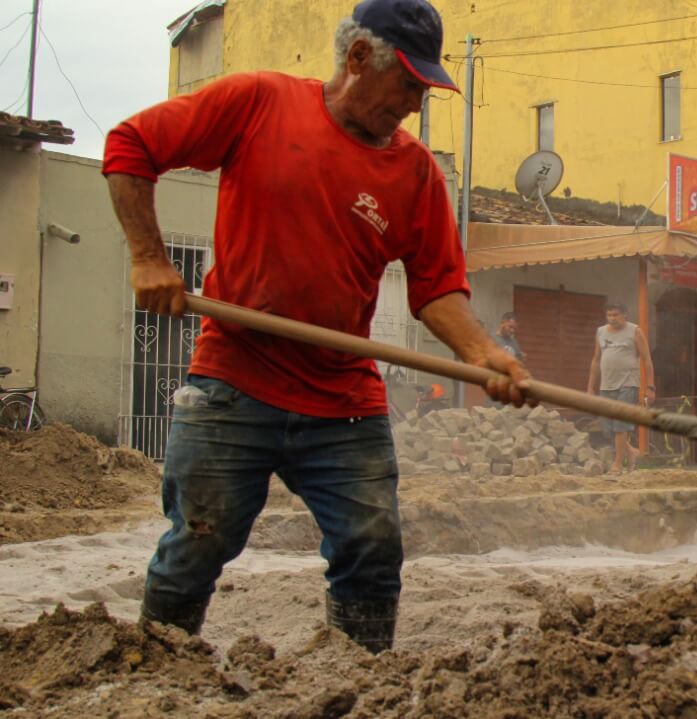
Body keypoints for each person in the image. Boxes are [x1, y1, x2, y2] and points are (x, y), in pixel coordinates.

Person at [102, 0, 531, 654]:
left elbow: (438, 285)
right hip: (233, 380)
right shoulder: (258, 103)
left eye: (423, 88)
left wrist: (484, 352)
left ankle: (359, 678)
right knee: (197, 538)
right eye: (408, 83)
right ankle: (157, 670)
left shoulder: (414, 173)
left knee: (372, 546)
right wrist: (148, 257)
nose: (415, 104)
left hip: (342, 402)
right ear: (359, 58)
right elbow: (130, 145)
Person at [587, 303, 655, 474]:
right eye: (609, 315)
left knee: (620, 426)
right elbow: (596, 360)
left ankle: (618, 463)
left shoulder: (635, 331)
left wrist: (650, 386)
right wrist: (590, 387)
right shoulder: (601, 332)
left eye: (615, 315)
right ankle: (631, 452)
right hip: (606, 385)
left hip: (628, 384)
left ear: (625, 315)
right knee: (607, 426)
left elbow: (646, 359)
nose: (612, 318)